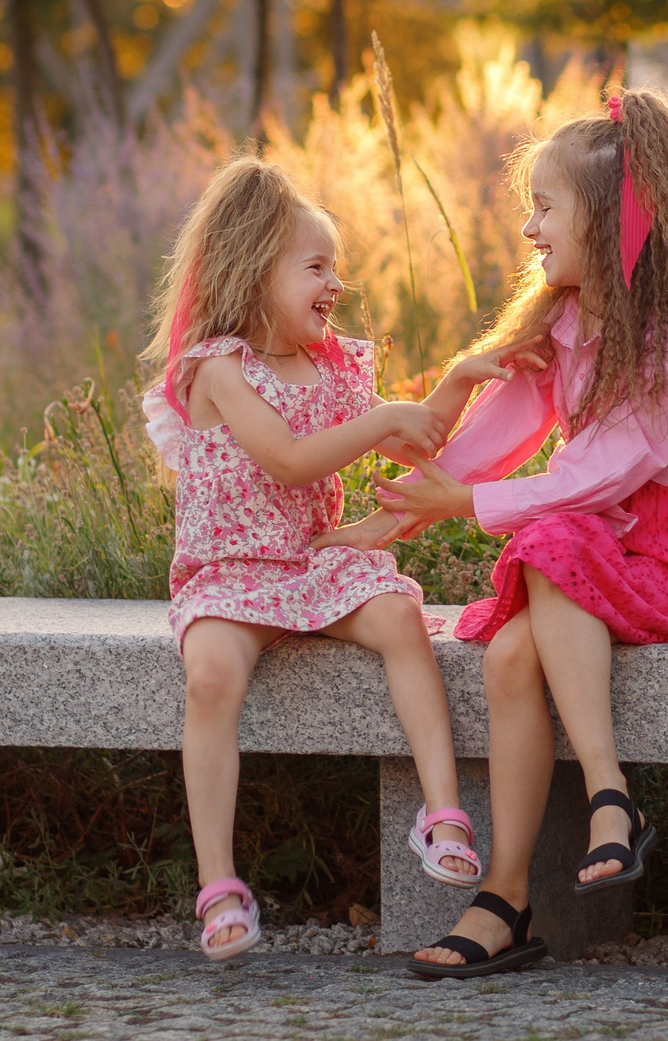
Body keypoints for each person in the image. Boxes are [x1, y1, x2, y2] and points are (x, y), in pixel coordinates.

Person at [380, 88, 668, 980]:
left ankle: (608, 790)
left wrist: (464, 507)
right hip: (596, 549)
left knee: (549, 541)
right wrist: (392, 510)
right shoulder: (562, 320)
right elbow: (490, 440)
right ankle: (506, 899)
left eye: (545, 206)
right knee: (511, 654)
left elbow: (600, 476)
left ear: (614, 219)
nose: (528, 228)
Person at [142, 157, 508, 961]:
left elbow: (413, 434)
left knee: (399, 614)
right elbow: (289, 460)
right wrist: (383, 419)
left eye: (334, 265)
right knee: (209, 675)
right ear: (250, 265)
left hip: (312, 561)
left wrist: (450, 385)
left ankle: (442, 813)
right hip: (230, 571)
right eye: (315, 266)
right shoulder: (219, 368)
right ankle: (218, 885)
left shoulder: (334, 363)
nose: (334, 282)